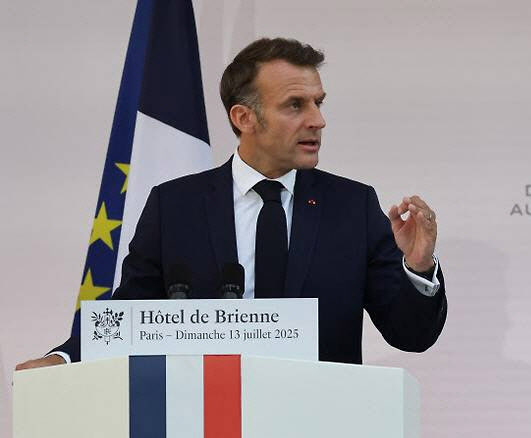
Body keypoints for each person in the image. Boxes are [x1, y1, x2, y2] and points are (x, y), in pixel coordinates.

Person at [17, 37, 446, 369]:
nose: (318, 120)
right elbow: (131, 313)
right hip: (206, 414)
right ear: (244, 117)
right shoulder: (175, 207)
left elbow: (411, 335)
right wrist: (64, 358)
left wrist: (419, 267)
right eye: (295, 105)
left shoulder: (352, 206)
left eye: (318, 103)